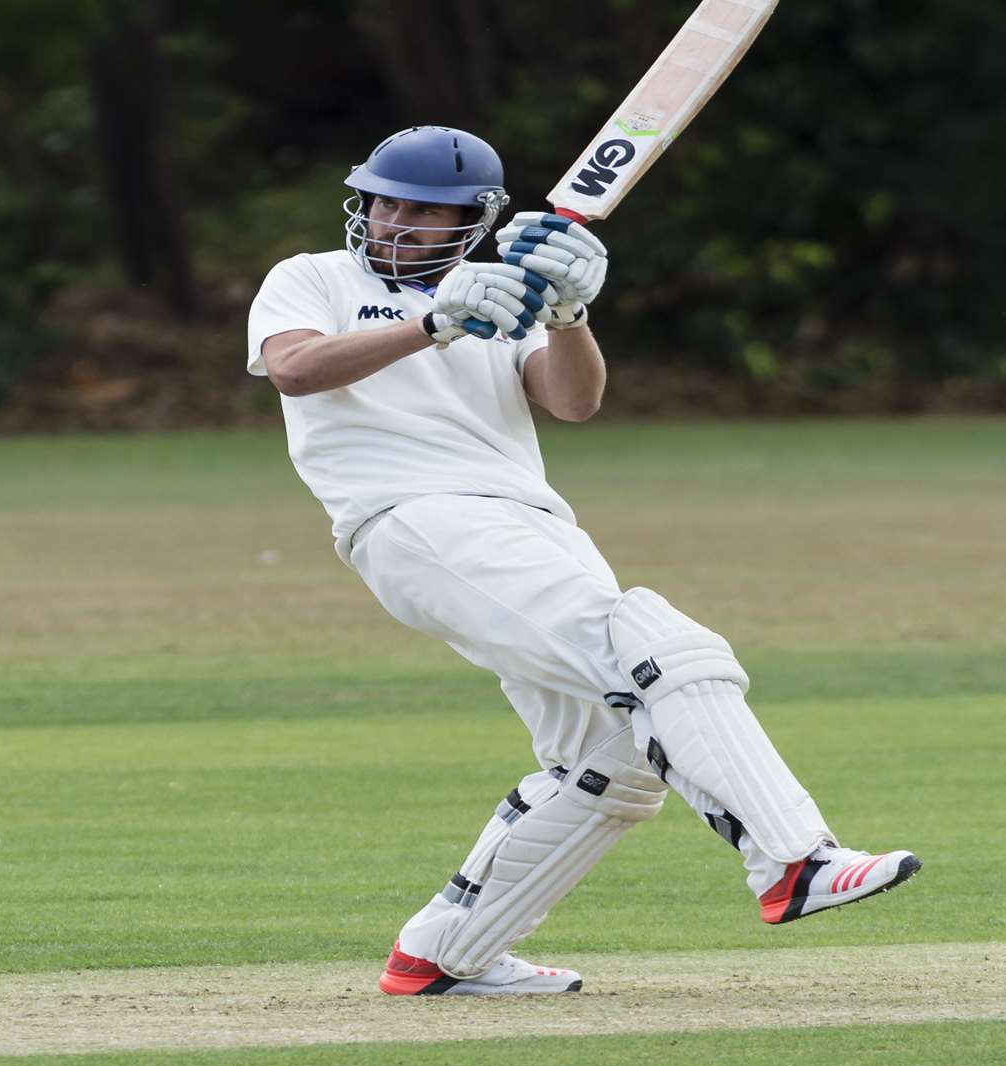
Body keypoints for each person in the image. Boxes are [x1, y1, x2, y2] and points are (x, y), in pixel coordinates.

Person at [246, 126, 921, 997]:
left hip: (533, 523)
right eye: (384, 201)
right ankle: (795, 859)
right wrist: (434, 322)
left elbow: (573, 401)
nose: (395, 220)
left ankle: (446, 954)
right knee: (657, 650)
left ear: (471, 221)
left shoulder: (492, 288)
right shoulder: (313, 277)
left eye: (423, 210)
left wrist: (567, 315)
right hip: (414, 518)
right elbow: (296, 371)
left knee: (610, 760)